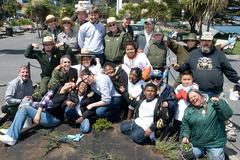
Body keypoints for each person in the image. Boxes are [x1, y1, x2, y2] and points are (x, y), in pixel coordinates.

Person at [0, 82, 76, 146]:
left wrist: (38, 113)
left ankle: (12, 138)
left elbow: (48, 105)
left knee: (25, 109)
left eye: (71, 86)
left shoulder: (63, 97)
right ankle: (11, 130)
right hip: (46, 111)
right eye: (70, 83)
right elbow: (46, 97)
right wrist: (36, 108)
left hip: (53, 118)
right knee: (26, 105)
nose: (69, 85)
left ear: (70, 90)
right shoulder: (58, 86)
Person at [173, 32, 240, 97]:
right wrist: (178, 67)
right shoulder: (193, 54)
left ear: (212, 42)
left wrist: (237, 80)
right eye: (204, 40)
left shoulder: (219, 54)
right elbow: (186, 67)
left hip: (215, 93)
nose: (206, 43)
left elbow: (228, 70)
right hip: (196, 91)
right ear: (201, 42)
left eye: (208, 41)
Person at [181, 89, 233, 159]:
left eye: (194, 96)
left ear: (201, 95)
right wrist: (185, 136)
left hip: (214, 142)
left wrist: (219, 103)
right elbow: (185, 126)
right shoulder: (188, 110)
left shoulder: (213, 104)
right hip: (197, 142)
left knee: (216, 157)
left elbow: (228, 114)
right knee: (186, 155)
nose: (193, 99)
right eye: (190, 98)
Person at [171, 70, 198, 138]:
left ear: (192, 79)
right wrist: (182, 94)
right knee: (176, 129)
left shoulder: (194, 87)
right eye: (184, 79)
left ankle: (183, 142)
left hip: (188, 113)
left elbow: (188, 98)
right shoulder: (179, 86)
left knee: (185, 130)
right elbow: (176, 97)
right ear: (181, 79)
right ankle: (174, 141)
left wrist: (182, 92)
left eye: (189, 79)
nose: (186, 81)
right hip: (178, 111)